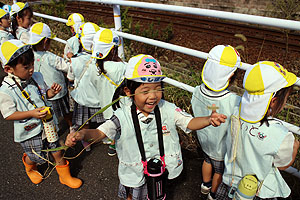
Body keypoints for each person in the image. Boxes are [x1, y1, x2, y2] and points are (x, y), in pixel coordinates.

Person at [65, 54, 227, 199]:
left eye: (158, 89)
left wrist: (207, 119)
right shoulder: (122, 116)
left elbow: (188, 122)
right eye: (145, 91)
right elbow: (101, 132)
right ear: (129, 91)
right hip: (135, 172)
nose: (153, 96)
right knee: (134, 194)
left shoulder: (167, 109)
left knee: (158, 193)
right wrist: (82, 134)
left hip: (160, 170)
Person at [0, 39, 82, 188]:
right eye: (26, 67)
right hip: (29, 130)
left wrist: (51, 92)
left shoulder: (36, 76)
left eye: (32, 64)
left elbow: (45, 95)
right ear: (8, 69)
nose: (31, 69)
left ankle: (65, 176)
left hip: (48, 124)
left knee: (56, 148)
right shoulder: (6, 91)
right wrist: (31, 113)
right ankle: (30, 166)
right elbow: (8, 114)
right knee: (36, 155)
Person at [215, 61, 300, 200]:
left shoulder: (235, 113)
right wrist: (294, 148)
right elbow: (283, 165)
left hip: (229, 183)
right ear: (273, 101)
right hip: (258, 193)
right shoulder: (281, 135)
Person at [191, 45, 241, 200]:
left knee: (207, 161)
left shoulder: (197, 90)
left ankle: (205, 185)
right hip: (221, 148)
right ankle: (213, 194)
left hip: (205, 140)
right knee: (219, 171)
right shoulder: (233, 100)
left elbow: (204, 108)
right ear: (231, 76)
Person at [27, 22, 71, 126]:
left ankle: (54, 129)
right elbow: (67, 67)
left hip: (43, 92)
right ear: (46, 41)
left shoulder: (30, 55)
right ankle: (71, 127)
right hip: (57, 91)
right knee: (66, 112)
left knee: (49, 115)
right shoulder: (52, 57)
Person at [91, 28, 126, 156]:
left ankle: (112, 145)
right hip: (121, 107)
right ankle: (121, 148)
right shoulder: (120, 67)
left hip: (106, 105)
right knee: (122, 127)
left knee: (112, 125)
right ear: (112, 50)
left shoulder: (93, 67)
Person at [67, 22, 101, 151]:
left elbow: (70, 78)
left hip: (82, 98)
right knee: (102, 119)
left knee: (84, 122)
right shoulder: (100, 61)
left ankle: (86, 143)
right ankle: (108, 139)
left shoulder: (74, 61)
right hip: (97, 98)